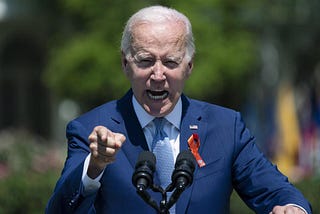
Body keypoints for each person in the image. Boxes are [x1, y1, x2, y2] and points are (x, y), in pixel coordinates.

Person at [46, 5, 312, 214]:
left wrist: (292, 208)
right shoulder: (90, 130)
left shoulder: (225, 127)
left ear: (189, 66)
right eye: (146, 60)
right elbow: (59, 209)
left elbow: (275, 191)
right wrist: (94, 167)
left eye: (171, 62)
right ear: (125, 64)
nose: (158, 74)